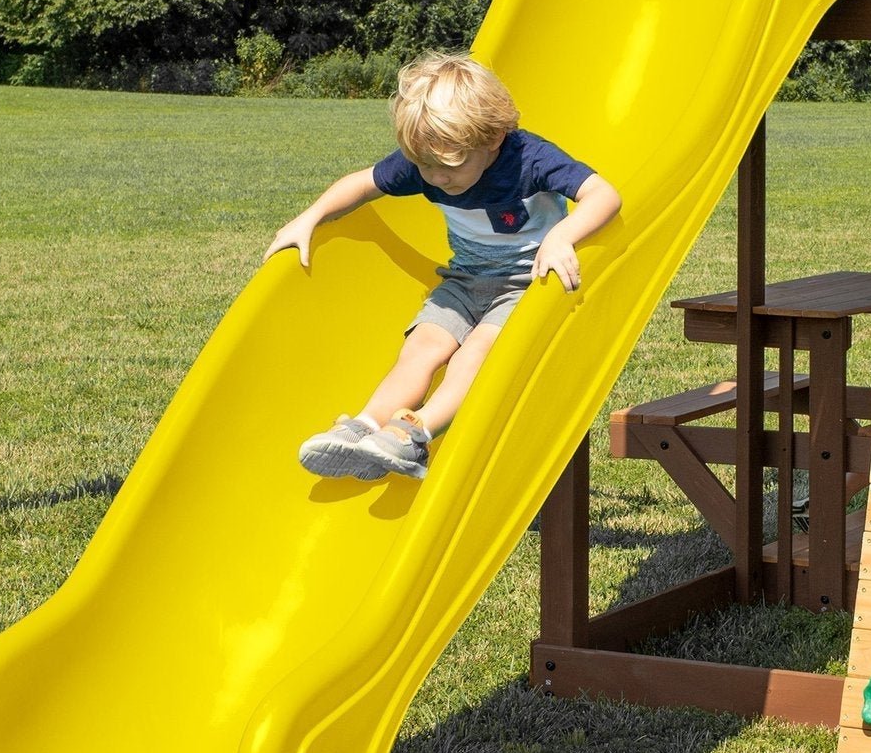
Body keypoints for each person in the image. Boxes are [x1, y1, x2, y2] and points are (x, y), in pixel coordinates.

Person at [265, 52, 622, 481]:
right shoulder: (430, 160)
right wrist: (312, 216)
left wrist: (561, 236)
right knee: (420, 348)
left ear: (493, 139)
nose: (435, 178)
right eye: (424, 166)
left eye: (447, 167)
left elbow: (604, 195)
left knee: (474, 354)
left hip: (527, 285)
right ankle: (365, 427)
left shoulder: (531, 159)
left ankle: (415, 434)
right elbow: (362, 183)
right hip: (464, 281)